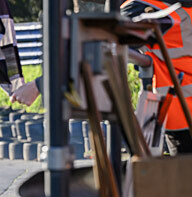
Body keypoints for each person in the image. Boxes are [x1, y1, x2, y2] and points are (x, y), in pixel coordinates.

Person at [11, 0, 192, 154]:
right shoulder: (176, 7)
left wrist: (38, 85)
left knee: (181, 186)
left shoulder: (144, 7)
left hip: (184, 113)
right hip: (181, 108)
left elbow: (96, 47)